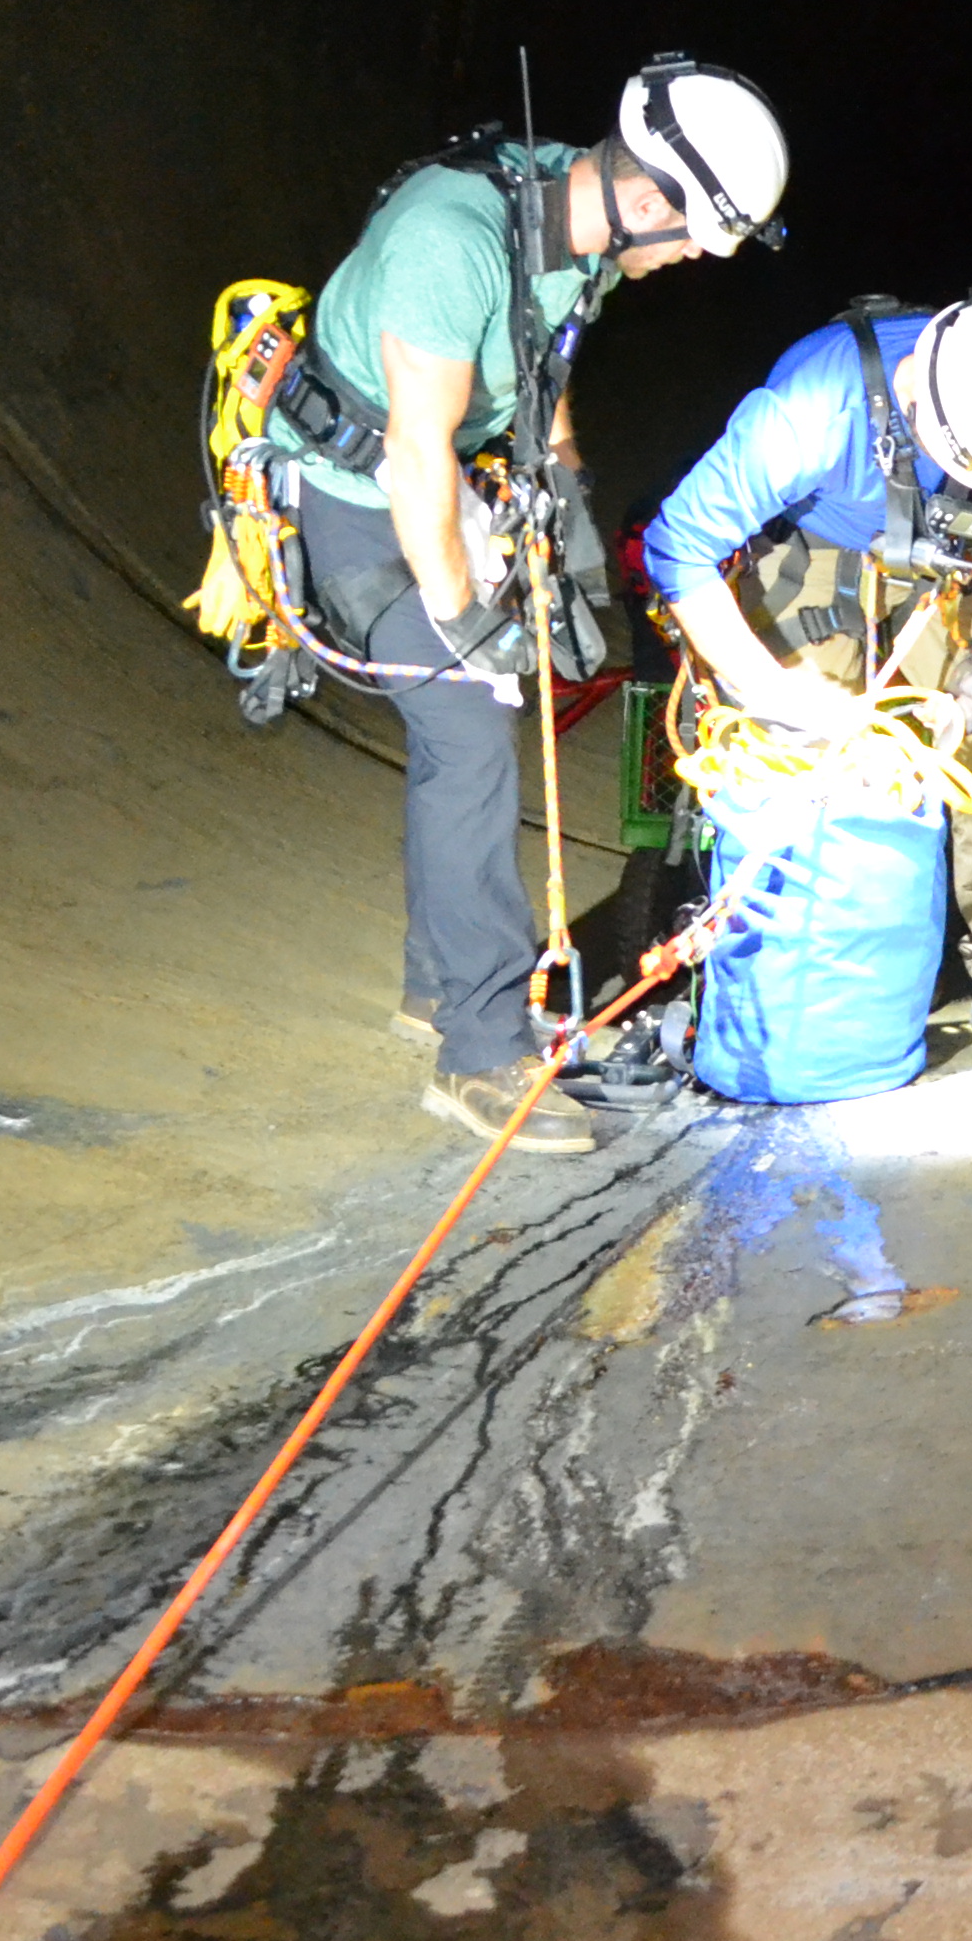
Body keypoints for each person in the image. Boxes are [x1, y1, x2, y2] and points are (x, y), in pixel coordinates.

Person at [276, 56, 789, 1150]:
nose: (696, 257)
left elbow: (540, 377)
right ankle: (480, 1049)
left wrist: (576, 532)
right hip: (356, 495)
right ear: (649, 196)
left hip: (441, 472)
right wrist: (472, 625)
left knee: (471, 723)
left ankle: (436, 984)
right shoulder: (450, 242)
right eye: (695, 236)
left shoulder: (574, 227)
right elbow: (415, 462)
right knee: (472, 729)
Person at [640, 289, 972, 1035]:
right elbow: (677, 546)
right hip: (816, 542)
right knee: (813, 756)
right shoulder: (810, 414)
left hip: (946, 551)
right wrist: (776, 692)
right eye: (970, 465)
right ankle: (804, 988)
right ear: (916, 396)